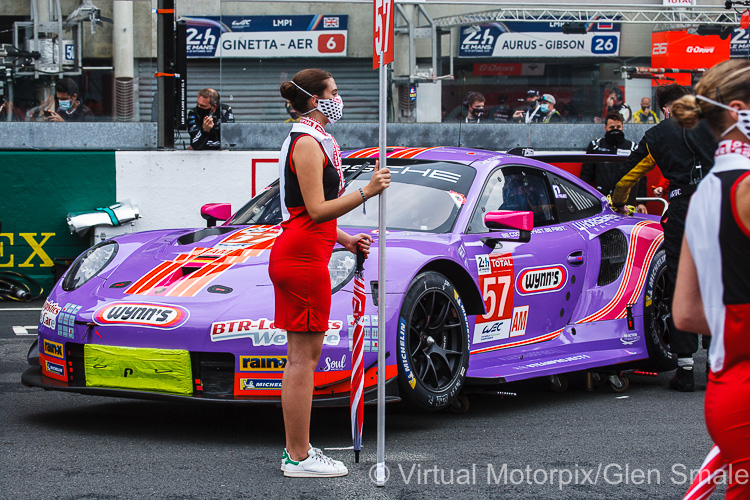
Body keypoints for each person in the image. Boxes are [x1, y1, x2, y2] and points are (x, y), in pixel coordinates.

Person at [271, 68, 390, 478]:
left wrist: (344, 240)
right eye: (333, 93)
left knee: (301, 357)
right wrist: (367, 191)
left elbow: (310, 215)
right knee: (304, 358)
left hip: (306, 252)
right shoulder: (305, 142)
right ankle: (298, 457)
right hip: (302, 259)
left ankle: (296, 451)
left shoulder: (310, 138)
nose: (339, 99)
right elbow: (316, 210)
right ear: (315, 99)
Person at [672, 58, 750, 498]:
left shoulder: (706, 192)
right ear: (739, 110)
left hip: (726, 390)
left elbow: (685, 314)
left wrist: (731, 320)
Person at [612, 83, 717, 391]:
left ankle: (685, 369)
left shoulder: (657, 135)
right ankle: (716, 365)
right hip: (718, 206)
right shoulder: (716, 123)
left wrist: (618, 202)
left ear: (666, 109)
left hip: (684, 211)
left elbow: (627, 177)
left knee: (681, 284)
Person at [581, 111, 646, 213]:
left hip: (625, 200)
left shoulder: (632, 147)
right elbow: (586, 174)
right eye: (611, 127)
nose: (615, 130)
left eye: (618, 127)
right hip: (601, 199)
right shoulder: (596, 146)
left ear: (623, 127)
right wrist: (583, 197)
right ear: (605, 127)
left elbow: (640, 176)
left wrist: (642, 202)